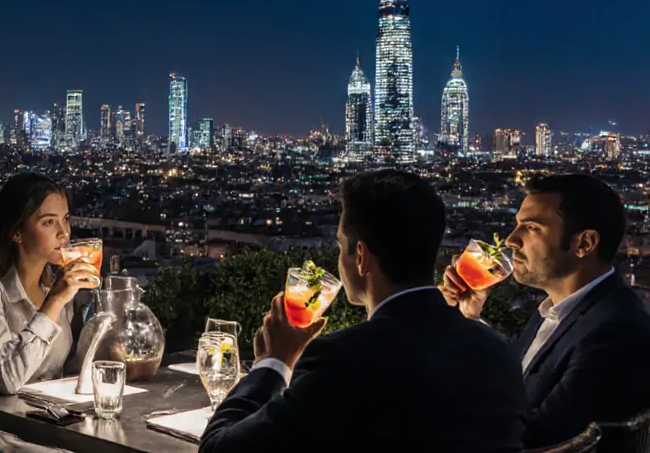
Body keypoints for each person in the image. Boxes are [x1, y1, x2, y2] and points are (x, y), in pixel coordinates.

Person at [199, 170, 526, 453]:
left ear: (360, 256)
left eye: (341, 246)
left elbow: (218, 448)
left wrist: (273, 363)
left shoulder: (341, 359)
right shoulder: (498, 354)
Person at [441, 173, 650, 447]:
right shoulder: (569, 310)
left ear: (584, 244)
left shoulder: (616, 331)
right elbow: (520, 371)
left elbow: (537, 437)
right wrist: (471, 316)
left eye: (531, 228)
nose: (511, 240)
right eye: (517, 226)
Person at [0, 171, 100, 395]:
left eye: (65, 219)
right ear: (17, 232)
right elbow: (7, 379)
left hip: (40, 419)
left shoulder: (55, 283)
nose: (64, 233)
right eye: (48, 222)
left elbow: (67, 371)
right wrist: (55, 301)